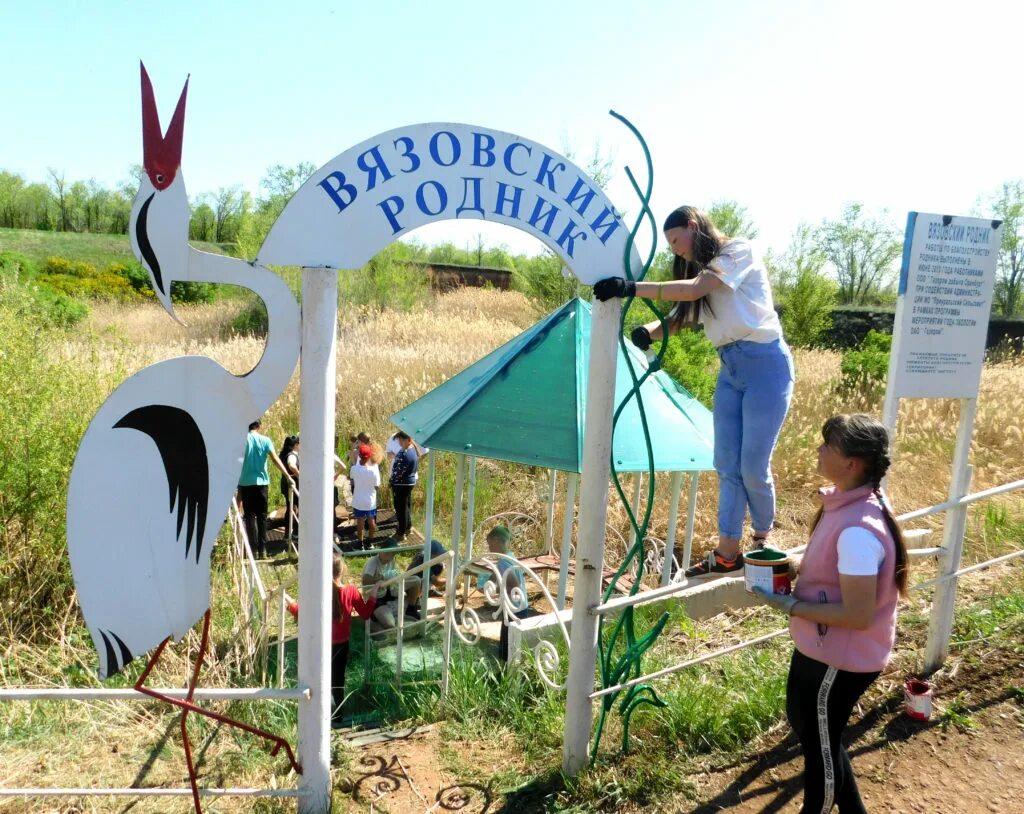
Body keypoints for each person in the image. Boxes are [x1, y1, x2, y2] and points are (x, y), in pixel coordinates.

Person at [594, 205, 794, 579]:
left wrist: (631, 288)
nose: (676, 251)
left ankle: (764, 537)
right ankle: (727, 553)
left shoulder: (737, 252)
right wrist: (649, 331)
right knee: (726, 462)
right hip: (731, 367)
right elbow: (682, 315)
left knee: (752, 464)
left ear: (692, 225)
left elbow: (696, 291)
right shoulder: (703, 272)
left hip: (766, 365)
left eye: (675, 240)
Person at [752, 414, 908, 814]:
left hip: (841, 655)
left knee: (820, 745)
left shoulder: (859, 529)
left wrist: (791, 606)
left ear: (851, 464)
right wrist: (794, 567)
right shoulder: (852, 503)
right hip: (822, 643)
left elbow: (857, 614)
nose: (819, 451)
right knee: (812, 727)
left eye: (828, 446)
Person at [286, 554, 377, 724]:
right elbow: (365, 614)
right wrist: (372, 595)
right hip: (341, 645)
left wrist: (290, 603)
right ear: (342, 570)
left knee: (319, 678)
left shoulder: (319, 592)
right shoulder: (350, 591)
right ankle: (338, 717)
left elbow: (303, 614)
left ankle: (316, 715)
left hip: (321, 644)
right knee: (338, 679)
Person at [477, 525, 532, 662]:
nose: (489, 548)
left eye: (490, 544)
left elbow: (513, 586)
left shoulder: (503, 563)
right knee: (511, 640)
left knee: (508, 645)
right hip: (521, 606)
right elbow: (497, 577)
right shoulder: (510, 557)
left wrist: (494, 592)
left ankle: (506, 671)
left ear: (496, 541)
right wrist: (488, 584)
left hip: (514, 608)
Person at [238, 419, 290, 559]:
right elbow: (274, 459)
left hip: (245, 483)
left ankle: (253, 551)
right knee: (262, 517)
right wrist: (286, 475)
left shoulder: (241, 440)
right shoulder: (265, 440)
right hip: (262, 484)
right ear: (259, 426)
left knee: (249, 517)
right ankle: (263, 550)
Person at [361, 542, 423, 625]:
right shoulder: (373, 561)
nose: (390, 557)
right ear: (380, 551)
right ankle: (376, 615)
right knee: (390, 624)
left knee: (416, 580)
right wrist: (383, 578)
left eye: (393, 554)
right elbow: (365, 581)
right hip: (376, 597)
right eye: (387, 553)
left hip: (388, 591)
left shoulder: (391, 560)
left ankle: (410, 609)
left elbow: (393, 575)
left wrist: (395, 580)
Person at [389, 431, 425, 541]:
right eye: (399, 440)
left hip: (402, 483)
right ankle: (407, 527)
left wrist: (392, 482)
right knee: (405, 506)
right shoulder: (411, 450)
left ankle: (401, 532)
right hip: (408, 482)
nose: (400, 442)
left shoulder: (405, 454)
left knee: (401, 508)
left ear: (409, 440)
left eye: (402, 440)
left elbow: (398, 471)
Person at [350, 444, 381, 549]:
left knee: (360, 522)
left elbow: (353, 481)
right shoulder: (374, 471)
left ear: (359, 455)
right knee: (371, 522)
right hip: (370, 501)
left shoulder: (354, 469)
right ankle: (370, 542)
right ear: (369, 456)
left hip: (358, 500)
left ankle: (360, 543)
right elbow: (377, 487)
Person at [278, 434, 300, 541]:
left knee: (290, 507)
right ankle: (294, 532)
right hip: (292, 484)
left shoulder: (285, 454)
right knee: (295, 507)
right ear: (296, 445)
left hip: (286, 483)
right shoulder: (292, 455)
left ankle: (288, 533)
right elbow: (291, 465)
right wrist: (300, 474)